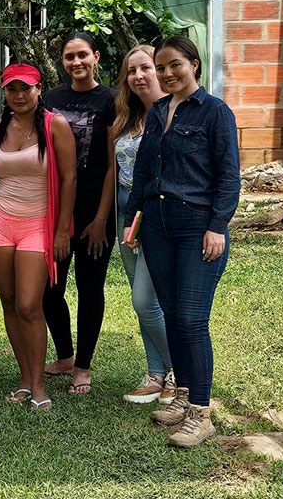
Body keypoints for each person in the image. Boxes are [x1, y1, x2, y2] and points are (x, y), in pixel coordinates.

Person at [122, 35, 240, 448]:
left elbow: (228, 176)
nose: (167, 73)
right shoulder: (156, 113)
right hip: (156, 224)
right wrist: (133, 216)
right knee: (172, 316)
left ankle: (201, 414)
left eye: (176, 65)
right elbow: (144, 169)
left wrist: (217, 225)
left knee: (191, 319)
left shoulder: (215, 113)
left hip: (196, 227)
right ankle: (183, 398)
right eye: (161, 66)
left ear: (194, 64)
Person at [0, 64, 75, 411]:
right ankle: (24, 379)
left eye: (26, 89)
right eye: (11, 90)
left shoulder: (56, 126)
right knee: (8, 302)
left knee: (28, 305)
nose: (19, 96)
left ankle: (39, 386)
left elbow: (68, 179)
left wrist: (62, 228)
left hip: (38, 222)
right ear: (4, 93)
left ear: (39, 89)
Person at [42, 33, 118, 395]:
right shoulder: (52, 99)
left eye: (82, 55)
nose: (76, 62)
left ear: (96, 57)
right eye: (69, 56)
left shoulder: (111, 101)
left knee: (90, 288)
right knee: (49, 288)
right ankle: (65, 356)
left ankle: (83, 367)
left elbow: (112, 166)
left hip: (93, 210)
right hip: (57, 210)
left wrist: (102, 218)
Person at [112, 45, 175, 405]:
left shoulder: (174, 114)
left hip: (154, 215)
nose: (138, 76)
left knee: (145, 300)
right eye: (131, 71)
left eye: (145, 68)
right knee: (143, 300)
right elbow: (115, 171)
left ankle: (180, 370)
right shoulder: (126, 119)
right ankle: (155, 375)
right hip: (124, 215)